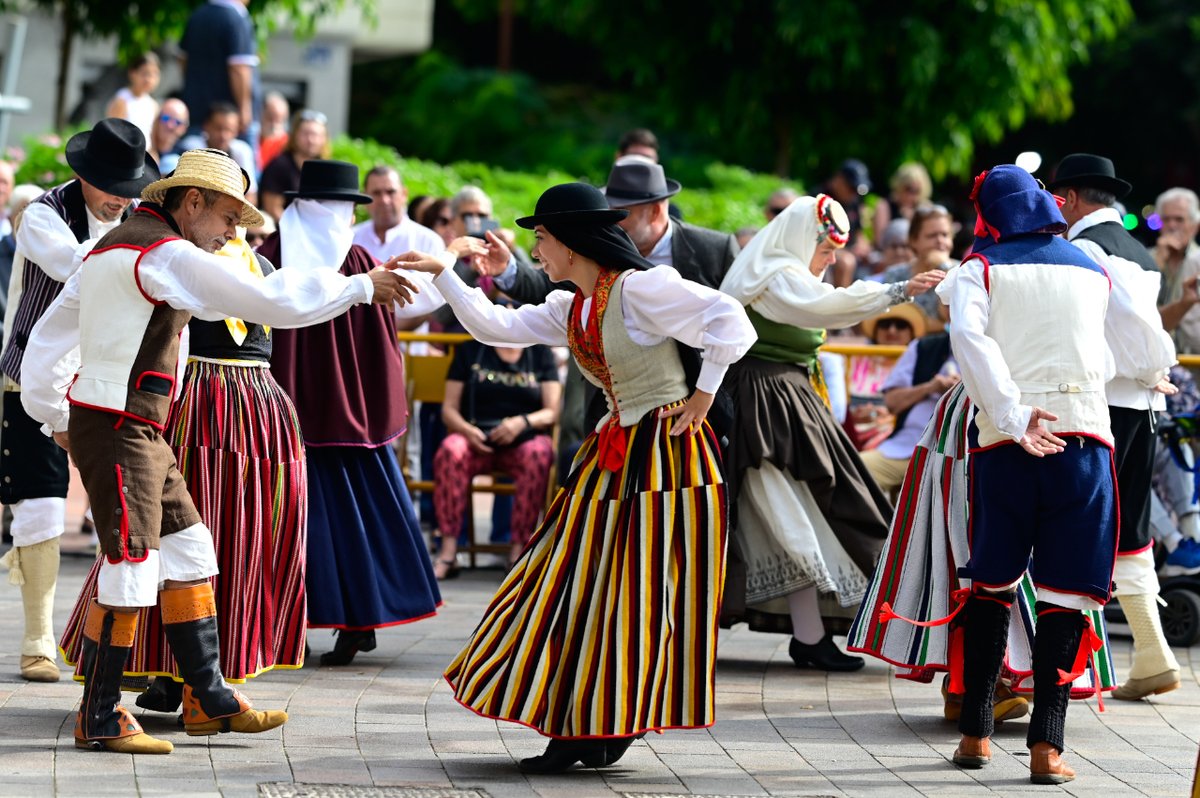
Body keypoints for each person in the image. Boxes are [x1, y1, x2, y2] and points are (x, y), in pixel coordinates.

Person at [20, 148, 416, 754]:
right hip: (123, 426)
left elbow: (49, 333)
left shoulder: (126, 246)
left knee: (191, 549)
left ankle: (208, 697)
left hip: (132, 427)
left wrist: (52, 414)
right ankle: (99, 715)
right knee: (132, 566)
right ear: (193, 202)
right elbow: (269, 305)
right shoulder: (166, 252)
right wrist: (361, 286)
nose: (236, 231)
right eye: (230, 216)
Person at [395, 181, 755, 774]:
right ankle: (590, 723)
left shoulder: (642, 289)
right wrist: (445, 275)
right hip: (613, 457)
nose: (536, 250)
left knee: (638, 595)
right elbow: (493, 326)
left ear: (568, 242)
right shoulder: (573, 305)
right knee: (580, 584)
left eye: (541, 238)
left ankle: (602, 726)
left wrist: (702, 397)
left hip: (666, 460)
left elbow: (732, 320)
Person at [56, 226, 311, 708]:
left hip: (257, 408)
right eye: (226, 212)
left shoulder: (263, 269)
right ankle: (148, 686)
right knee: (152, 540)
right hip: (189, 404)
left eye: (239, 215)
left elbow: (292, 312)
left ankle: (205, 685)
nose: (232, 227)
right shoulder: (171, 262)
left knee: (237, 538)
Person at [936, 165, 1119, 784]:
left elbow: (970, 342)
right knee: (1067, 597)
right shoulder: (1094, 267)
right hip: (1084, 438)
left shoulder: (977, 270)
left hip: (1009, 445)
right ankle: (1048, 748)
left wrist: (1014, 415)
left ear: (987, 215)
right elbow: (1126, 351)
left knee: (992, 584)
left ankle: (976, 735)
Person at [717, 193, 942, 672]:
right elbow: (829, 306)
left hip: (783, 403)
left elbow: (826, 304)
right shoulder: (773, 277)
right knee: (791, 518)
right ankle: (817, 636)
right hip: (765, 405)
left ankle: (815, 636)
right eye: (827, 247)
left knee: (800, 516)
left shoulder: (780, 272)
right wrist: (898, 290)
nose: (833, 258)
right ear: (804, 239)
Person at [261, 159, 442, 667]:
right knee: (349, 520)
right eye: (343, 204)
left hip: (291, 411)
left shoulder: (274, 254)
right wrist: (374, 403)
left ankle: (293, 627)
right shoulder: (356, 259)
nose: (343, 214)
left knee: (295, 521)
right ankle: (352, 622)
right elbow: (385, 344)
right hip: (345, 419)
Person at [0, 120, 159, 684]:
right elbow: (80, 268)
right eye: (111, 182)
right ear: (82, 174)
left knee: (122, 506)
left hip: (108, 380)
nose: (122, 195)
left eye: (131, 183)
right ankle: (38, 639)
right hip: (33, 381)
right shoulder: (41, 215)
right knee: (41, 505)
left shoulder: (137, 217)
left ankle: (113, 646)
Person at [1049, 153, 1181, 702]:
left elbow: (1131, 324)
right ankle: (1151, 654)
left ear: (1072, 198)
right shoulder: (1137, 249)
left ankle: (1069, 672)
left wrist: (1156, 363)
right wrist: (1154, 371)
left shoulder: (1088, 249)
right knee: (1127, 531)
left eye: (1058, 197)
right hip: (1138, 404)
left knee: (1078, 530)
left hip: (1105, 406)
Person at [432, 333, 560, 576]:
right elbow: (448, 409)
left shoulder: (541, 354)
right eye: (502, 305)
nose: (509, 311)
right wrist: (467, 430)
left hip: (522, 440)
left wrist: (521, 423)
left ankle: (518, 551)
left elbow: (551, 412)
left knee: (539, 453)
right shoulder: (470, 351)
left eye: (515, 305)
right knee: (451, 449)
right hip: (475, 438)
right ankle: (448, 552)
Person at [858, 309, 957, 497]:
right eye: (885, 325)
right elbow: (891, 403)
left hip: (961, 457)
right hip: (905, 448)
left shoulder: (998, 351)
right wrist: (930, 387)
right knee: (854, 473)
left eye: (900, 325)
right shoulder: (921, 348)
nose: (892, 331)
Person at [179, 0, 260, 150]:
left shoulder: (197, 15)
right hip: (229, 122)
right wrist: (244, 109)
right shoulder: (236, 18)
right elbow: (239, 69)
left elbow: (183, 59)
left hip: (196, 113)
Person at [881, 205, 956, 328]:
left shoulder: (964, 271)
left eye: (945, 235)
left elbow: (953, 321)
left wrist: (945, 268)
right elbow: (894, 323)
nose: (940, 241)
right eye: (932, 236)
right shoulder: (895, 274)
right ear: (913, 240)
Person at [351, 165, 444, 262]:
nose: (384, 200)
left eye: (391, 192)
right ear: (365, 196)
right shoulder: (351, 238)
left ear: (404, 194)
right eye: (376, 193)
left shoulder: (428, 242)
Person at [179, 103, 259, 205]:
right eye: (218, 128)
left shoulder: (243, 151)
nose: (223, 135)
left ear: (237, 131)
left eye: (229, 129)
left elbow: (250, 195)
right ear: (206, 126)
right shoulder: (191, 148)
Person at [258, 109, 330, 221]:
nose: (311, 140)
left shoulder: (326, 170)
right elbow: (272, 209)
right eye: (306, 134)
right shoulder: (279, 165)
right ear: (294, 135)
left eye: (316, 135)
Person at [106, 53, 161, 145]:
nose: (149, 79)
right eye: (145, 73)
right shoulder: (122, 99)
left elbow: (152, 139)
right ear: (132, 73)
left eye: (154, 74)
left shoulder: (153, 105)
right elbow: (113, 134)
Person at [872, 162, 933, 239]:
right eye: (908, 189)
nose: (912, 195)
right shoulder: (884, 206)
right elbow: (880, 239)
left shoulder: (925, 207)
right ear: (899, 186)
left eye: (916, 191)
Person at [147, 98, 190, 173]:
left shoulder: (185, 158)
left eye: (177, 122)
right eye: (165, 118)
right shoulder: (144, 149)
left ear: (184, 128)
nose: (170, 125)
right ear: (156, 120)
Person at [257, 90, 290, 170]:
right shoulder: (252, 139)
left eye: (278, 119)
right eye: (270, 117)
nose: (274, 123)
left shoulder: (288, 144)